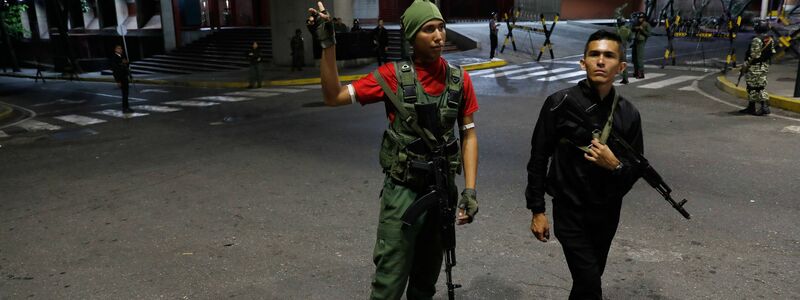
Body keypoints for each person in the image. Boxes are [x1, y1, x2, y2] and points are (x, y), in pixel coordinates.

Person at [306, 1, 479, 298]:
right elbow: (333, 95)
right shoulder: (392, 76)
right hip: (403, 193)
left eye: (440, 27)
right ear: (412, 37)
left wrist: (470, 190)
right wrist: (328, 43)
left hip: (441, 191)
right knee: (389, 284)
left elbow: (468, 134)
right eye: (428, 30)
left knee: (426, 283)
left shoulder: (459, 79)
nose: (438, 36)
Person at [526, 30, 643, 300]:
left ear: (621, 67)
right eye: (594, 55)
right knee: (590, 283)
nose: (601, 61)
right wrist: (537, 210)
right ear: (583, 62)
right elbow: (538, 157)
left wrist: (614, 166)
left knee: (586, 283)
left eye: (609, 56)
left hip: (607, 213)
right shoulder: (559, 104)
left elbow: (634, 170)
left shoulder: (629, 114)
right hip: (570, 212)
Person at [741, 19, 776, 116]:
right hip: (764, 65)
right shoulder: (770, 39)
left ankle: (764, 107)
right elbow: (772, 52)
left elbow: (754, 56)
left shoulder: (757, 39)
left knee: (757, 87)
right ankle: (751, 107)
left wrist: (745, 65)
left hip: (755, 66)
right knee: (753, 86)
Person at [110, 45, 133, 113]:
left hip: (125, 77)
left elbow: (126, 65)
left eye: (121, 48)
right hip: (121, 78)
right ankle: (125, 108)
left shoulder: (122, 57)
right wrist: (118, 81)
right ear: (115, 50)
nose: (121, 50)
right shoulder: (114, 58)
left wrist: (127, 63)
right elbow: (115, 70)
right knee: (124, 93)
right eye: (119, 48)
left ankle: (126, 107)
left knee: (126, 93)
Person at [631, 12, 650, 79]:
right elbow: (632, 29)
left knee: (639, 58)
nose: (639, 19)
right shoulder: (637, 24)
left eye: (641, 18)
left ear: (644, 18)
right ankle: (636, 72)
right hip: (636, 41)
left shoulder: (646, 24)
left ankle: (641, 73)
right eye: (639, 18)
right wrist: (636, 28)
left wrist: (642, 30)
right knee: (634, 58)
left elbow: (648, 34)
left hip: (641, 42)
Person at [615, 17, 632, 84]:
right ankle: (625, 78)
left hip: (617, 48)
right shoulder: (628, 30)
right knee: (623, 63)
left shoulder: (617, 30)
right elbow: (630, 39)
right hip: (624, 47)